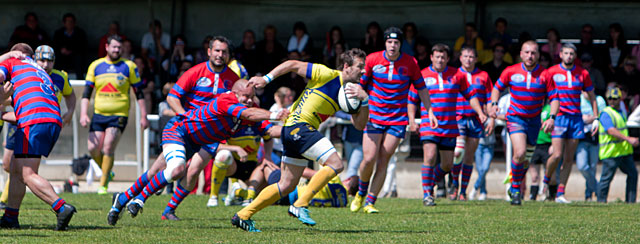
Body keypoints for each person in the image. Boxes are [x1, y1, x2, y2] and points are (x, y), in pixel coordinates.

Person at [232, 48, 369, 232]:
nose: (363, 71)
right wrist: (266, 79)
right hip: (300, 126)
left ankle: (243, 215)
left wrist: (365, 101)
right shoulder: (327, 74)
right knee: (336, 164)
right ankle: (300, 204)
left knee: (286, 185)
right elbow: (292, 64)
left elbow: (359, 125)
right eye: (360, 66)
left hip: (293, 130)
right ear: (346, 66)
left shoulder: (352, 92)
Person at [110, 80, 286, 222]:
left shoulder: (246, 109)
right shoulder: (227, 100)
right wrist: (274, 114)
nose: (250, 101)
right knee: (177, 169)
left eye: (252, 97)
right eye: (246, 97)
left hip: (196, 141)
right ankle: (140, 199)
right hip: (178, 131)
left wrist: (292, 126)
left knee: (180, 173)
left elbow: (269, 130)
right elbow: (249, 114)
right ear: (235, 93)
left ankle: (123, 199)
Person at [352, 27, 434, 213]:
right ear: (385, 43)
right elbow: (359, 85)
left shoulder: (410, 62)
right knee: (369, 158)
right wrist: (355, 109)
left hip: (397, 119)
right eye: (390, 42)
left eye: (396, 42)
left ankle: (370, 203)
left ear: (401, 44)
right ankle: (360, 193)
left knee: (384, 160)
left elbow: (421, 88)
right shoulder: (372, 59)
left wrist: (429, 110)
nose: (392, 45)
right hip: (374, 116)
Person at [0, 44, 75, 230]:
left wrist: (7, 55)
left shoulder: (11, 62)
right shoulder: (35, 70)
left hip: (35, 120)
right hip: (49, 119)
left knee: (27, 174)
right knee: (17, 170)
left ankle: (61, 207)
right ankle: (10, 217)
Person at [408, 44, 487, 206]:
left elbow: (471, 95)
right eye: (437, 56)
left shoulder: (457, 75)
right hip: (429, 124)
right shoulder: (422, 75)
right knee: (429, 157)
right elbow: (411, 100)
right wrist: (411, 120)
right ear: (431, 57)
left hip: (450, 126)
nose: (440, 60)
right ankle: (427, 194)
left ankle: (429, 183)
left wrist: (480, 112)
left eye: (443, 57)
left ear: (448, 59)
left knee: (447, 164)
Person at [488, 40, 559, 205]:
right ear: (521, 54)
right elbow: (497, 88)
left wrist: (552, 117)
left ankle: (515, 184)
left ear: (538, 55)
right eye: (527, 52)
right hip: (515, 118)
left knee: (526, 159)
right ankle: (515, 190)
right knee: (519, 153)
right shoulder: (510, 71)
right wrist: (493, 105)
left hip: (534, 121)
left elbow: (554, 98)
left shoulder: (545, 74)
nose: (530, 56)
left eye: (533, 53)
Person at [80, 35, 149, 194]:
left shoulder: (129, 66)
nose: (117, 50)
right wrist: (83, 113)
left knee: (108, 147)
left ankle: (103, 185)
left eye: (119, 47)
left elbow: (139, 93)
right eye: (114, 47)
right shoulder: (96, 66)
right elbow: (86, 93)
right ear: (107, 47)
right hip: (99, 113)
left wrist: (143, 116)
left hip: (119, 114)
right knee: (93, 148)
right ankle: (107, 171)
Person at [543, 43, 598, 204]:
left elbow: (592, 96)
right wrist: (544, 114)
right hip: (558, 117)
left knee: (568, 158)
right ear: (560, 54)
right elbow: (541, 92)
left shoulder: (582, 73)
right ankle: (546, 181)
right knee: (557, 154)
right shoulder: (551, 72)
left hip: (576, 119)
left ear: (575, 56)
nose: (568, 56)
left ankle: (560, 192)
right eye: (566, 53)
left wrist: (596, 118)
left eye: (572, 53)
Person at [449, 47, 493, 201]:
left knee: (468, 157)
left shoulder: (483, 76)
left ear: (476, 59)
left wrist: (490, 118)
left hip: (475, 120)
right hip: (458, 117)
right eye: (465, 56)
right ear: (460, 58)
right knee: (458, 152)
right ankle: (454, 186)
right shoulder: (453, 74)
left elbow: (489, 98)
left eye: (471, 57)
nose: (468, 59)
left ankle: (463, 191)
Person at [206, 117, 275, 207]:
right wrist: (236, 149)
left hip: (253, 166)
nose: (250, 102)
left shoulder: (259, 121)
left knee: (266, 196)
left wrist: (267, 156)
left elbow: (269, 137)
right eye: (245, 101)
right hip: (233, 166)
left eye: (253, 102)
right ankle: (213, 197)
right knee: (223, 155)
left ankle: (238, 192)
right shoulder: (228, 121)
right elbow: (215, 146)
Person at [597, 87, 638, 203]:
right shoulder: (606, 113)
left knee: (633, 174)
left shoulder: (621, 112)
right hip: (611, 152)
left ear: (620, 99)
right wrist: (628, 139)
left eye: (615, 98)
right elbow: (611, 130)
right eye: (610, 98)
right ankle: (601, 202)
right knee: (606, 179)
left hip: (623, 151)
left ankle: (630, 202)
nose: (612, 101)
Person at [577, 91, 606, 201]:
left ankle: (588, 195)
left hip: (595, 138)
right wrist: (586, 118)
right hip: (582, 138)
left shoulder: (599, 100)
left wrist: (592, 118)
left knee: (593, 167)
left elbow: (602, 116)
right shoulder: (578, 99)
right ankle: (598, 188)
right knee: (582, 166)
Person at [52, 13, 88, 78]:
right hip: (62, 56)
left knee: (79, 58)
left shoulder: (80, 33)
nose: (70, 23)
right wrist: (62, 50)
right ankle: (59, 79)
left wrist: (71, 51)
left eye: (71, 21)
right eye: (68, 21)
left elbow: (83, 47)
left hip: (75, 56)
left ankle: (80, 79)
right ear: (64, 23)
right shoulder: (58, 33)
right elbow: (55, 46)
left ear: (74, 23)